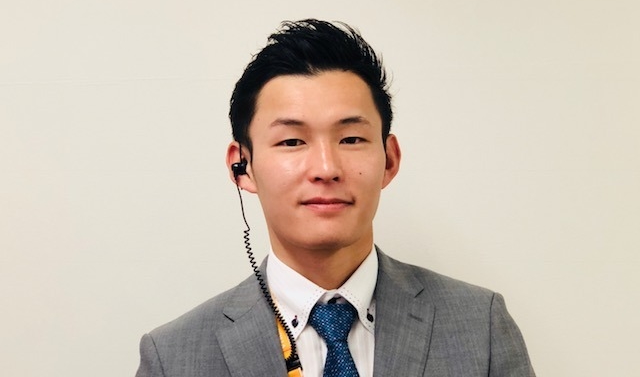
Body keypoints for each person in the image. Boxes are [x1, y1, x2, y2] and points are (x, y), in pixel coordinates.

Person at [135, 19, 536, 377]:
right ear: (242, 167)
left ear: (390, 160)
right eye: (292, 141)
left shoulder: (479, 325)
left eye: (351, 138)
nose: (326, 168)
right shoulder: (173, 357)